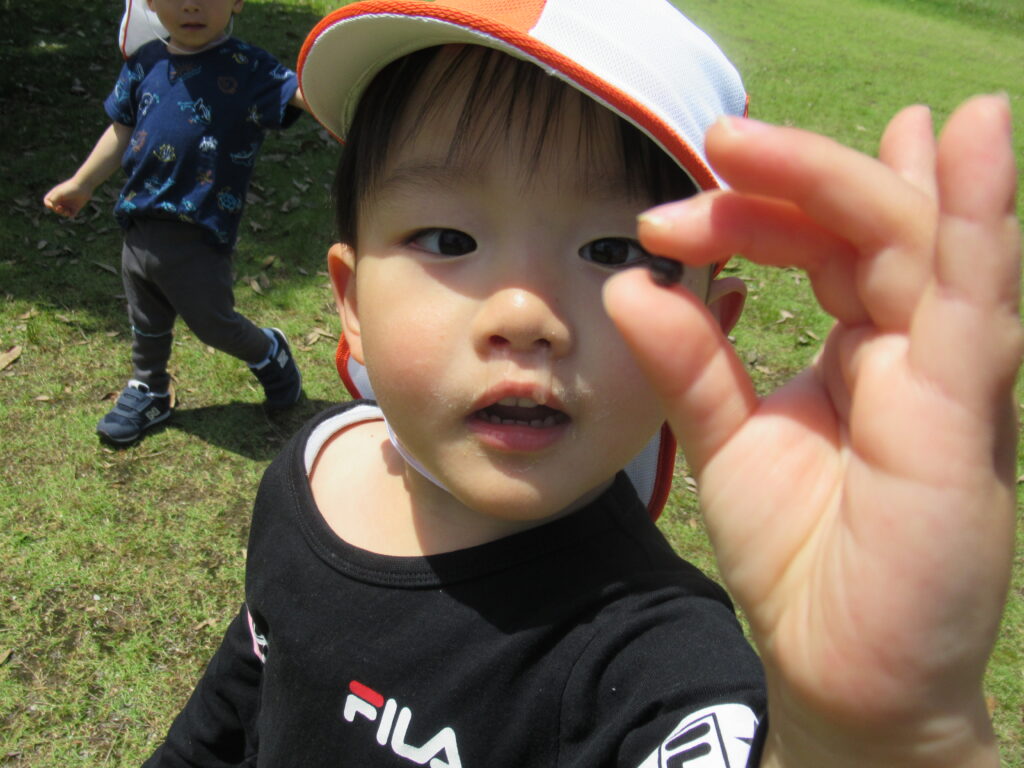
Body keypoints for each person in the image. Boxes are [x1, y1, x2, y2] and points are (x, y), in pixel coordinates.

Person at [143, 1, 1021, 766]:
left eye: (611, 251)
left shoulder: (648, 669)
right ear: (352, 298)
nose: (526, 313)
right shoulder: (311, 468)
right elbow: (240, 696)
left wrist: (875, 737)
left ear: (709, 333)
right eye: (448, 240)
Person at [43, 0, 306, 445]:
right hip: (138, 220)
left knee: (214, 324)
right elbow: (121, 129)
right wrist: (82, 183)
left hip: (199, 227)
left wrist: (348, 82)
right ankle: (150, 389)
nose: (191, 5)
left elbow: (304, 94)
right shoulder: (145, 62)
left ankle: (268, 352)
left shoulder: (248, 67)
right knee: (146, 318)